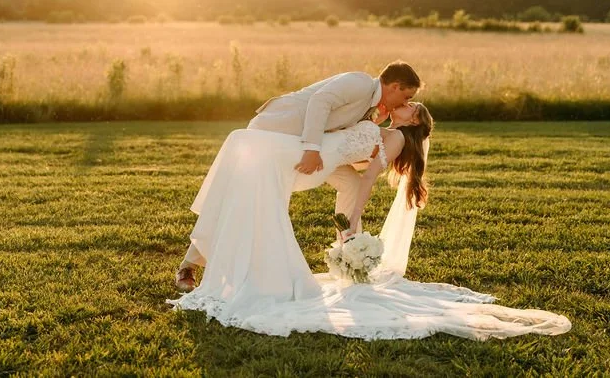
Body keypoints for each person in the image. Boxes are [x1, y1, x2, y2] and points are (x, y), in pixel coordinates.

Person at [167, 103, 572, 341]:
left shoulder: (394, 138)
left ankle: (206, 262)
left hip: (312, 165)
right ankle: (198, 260)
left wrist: (352, 222)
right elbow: (350, 164)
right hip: (324, 164)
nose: (409, 103)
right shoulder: (383, 127)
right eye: (410, 100)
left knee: (243, 176)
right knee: (237, 191)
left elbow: (365, 179)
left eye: (413, 106)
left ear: (413, 122)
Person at [175, 61, 421, 291]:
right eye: (406, 96)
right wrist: (312, 149)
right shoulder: (360, 83)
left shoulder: (374, 109)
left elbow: (345, 137)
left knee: (351, 184)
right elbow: (320, 101)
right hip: (277, 130)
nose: (404, 102)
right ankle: (190, 264)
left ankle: (350, 251)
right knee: (246, 198)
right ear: (395, 86)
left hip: (310, 146)